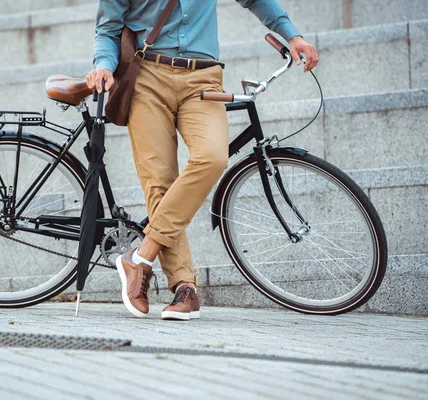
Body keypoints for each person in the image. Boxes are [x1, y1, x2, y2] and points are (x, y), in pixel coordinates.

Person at [85, 0, 319, 321]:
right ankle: (185, 288)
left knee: (211, 157)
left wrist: (292, 36)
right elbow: (108, 29)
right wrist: (103, 65)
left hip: (203, 79)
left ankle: (141, 257)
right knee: (160, 183)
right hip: (147, 77)